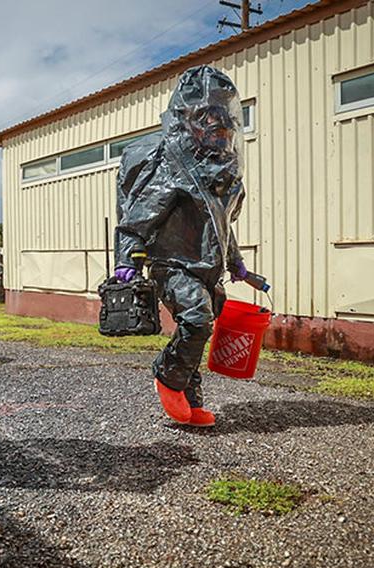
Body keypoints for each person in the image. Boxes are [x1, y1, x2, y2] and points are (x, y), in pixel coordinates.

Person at [114, 65, 247, 428]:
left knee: (198, 328)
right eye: (209, 117)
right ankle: (167, 377)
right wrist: (126, 258)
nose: (220, 127)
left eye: (224, 117)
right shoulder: (174, 165)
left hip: (207, 264)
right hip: (171, 262)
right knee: (196, 318)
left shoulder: (221, 168)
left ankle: (192, 400)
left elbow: (221, 223)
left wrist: (235, 262)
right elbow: (140, 215)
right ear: (188, 118)